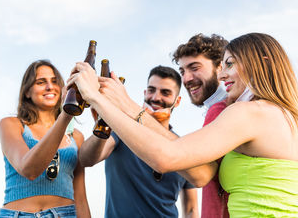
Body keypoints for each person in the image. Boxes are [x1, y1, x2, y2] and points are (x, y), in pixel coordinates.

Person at [68, 33, 298, 217]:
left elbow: (167, 157)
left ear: (262, 63)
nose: (223, 74)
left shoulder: (249, 113)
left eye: (230, 64)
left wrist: (99, 98)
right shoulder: (284, 115)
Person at [79, 66, 199, 218]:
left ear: (178, 101)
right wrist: (104, 123)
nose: (156, 98)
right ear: (144, 93)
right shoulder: (121, 131)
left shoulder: (183, 147)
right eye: (151, 90)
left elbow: (191, 209)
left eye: (166, 92)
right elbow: (86, 159)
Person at [0, 60, 91, 218]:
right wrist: (66, 115)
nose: (50, 87)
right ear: (27, 92)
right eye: (41, 82)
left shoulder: (76, 137)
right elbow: (29, 169)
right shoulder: (12, 125)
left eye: (55, 81)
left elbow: (80, 197)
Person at [172, 34, 230, 218]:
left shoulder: (223, 110)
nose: (187, 79)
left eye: (194, 68)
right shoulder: (218, 109)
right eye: (182, 71)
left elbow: (199, 175)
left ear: (220, 67)